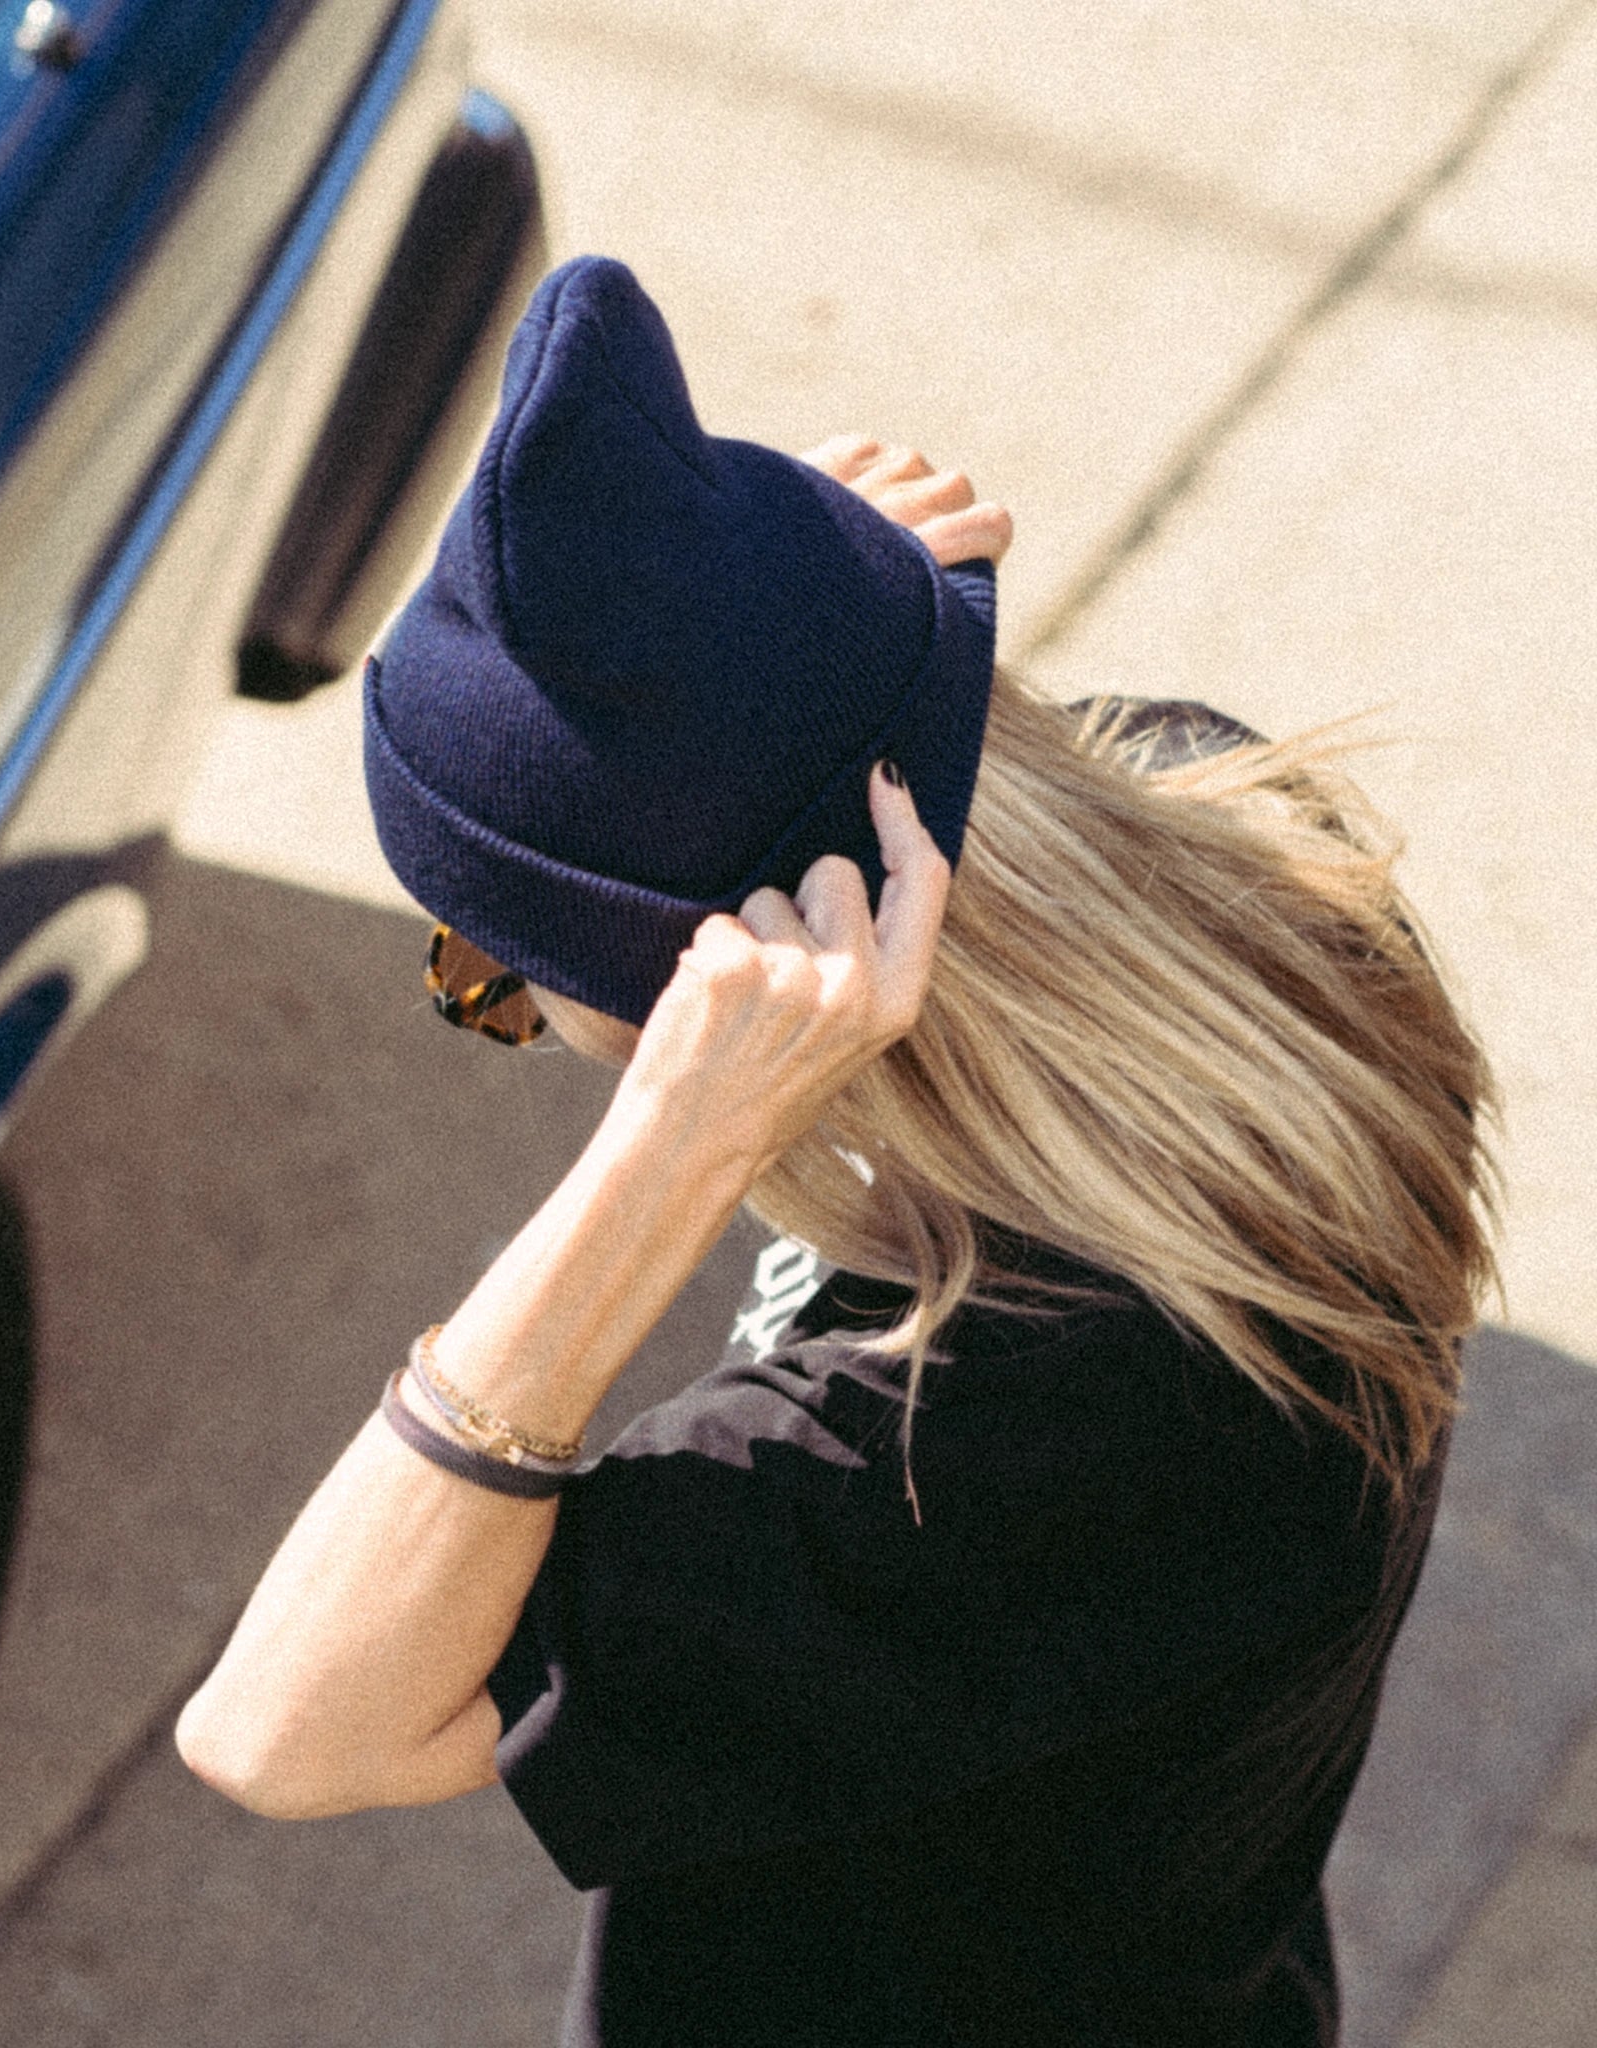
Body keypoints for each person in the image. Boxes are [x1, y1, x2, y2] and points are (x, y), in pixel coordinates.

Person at [176, 257, 1497, 2047]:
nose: (474, 1006)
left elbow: (281, 1727)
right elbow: (882, 771)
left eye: (492, 971)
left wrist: (666, 1159)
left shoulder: (977, 1442)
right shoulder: (1246, 858)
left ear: (716, 998)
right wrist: (804, 614)